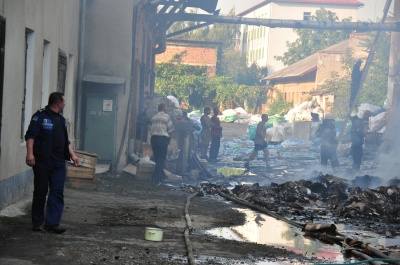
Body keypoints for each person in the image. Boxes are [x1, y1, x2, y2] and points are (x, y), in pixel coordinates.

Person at [25, 92, 79, 234]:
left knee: (57, 192)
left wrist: (72, 154)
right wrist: (29, 154)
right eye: (64, 102)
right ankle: (37, 223)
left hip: (59, 163)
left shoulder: (61, 120)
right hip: (42, 162)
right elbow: (30, 136)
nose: (65, 104)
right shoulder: (40, 117)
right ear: (58, 103)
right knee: (40, 192)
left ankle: (52, 223)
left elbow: (65, 140)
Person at [150, 102, 174, 185]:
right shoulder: (167, 117)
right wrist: (169, 139)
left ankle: (160, 176)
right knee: (161, 158)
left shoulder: (154, 117)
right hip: (162, 139)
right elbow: (170, 130)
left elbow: (151, 130)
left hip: (153, 139)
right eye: (166, 108)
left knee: (157, 158)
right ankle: (156, 178)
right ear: (164, 108)